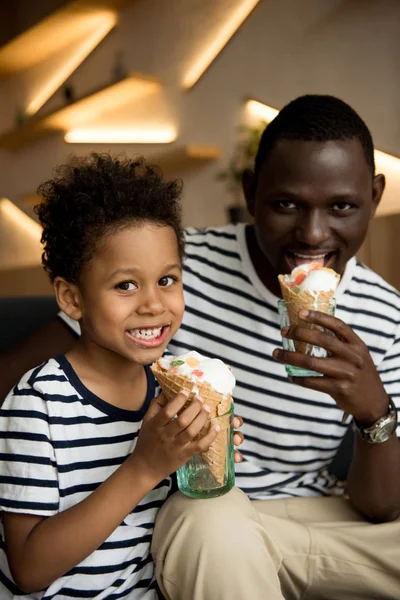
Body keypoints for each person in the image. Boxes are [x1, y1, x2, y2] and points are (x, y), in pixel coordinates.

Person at [1, 94, 400, 598]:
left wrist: (372, 411)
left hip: (315, 520)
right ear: (251, 193)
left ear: (375, 196)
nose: (313, 233)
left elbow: (381, 507)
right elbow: (49, 371)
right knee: (214, 523)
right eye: (286, 204)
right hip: (212, 521)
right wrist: (174, 460)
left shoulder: (388, 314)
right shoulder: (161, 266)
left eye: (342, 206)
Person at [0, 154, 223, 599]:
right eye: (125, 285)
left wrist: (206, 453)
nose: (154, 305)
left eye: (167, 279)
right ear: (72, 298)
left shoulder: (170, 387)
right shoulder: (37, 403)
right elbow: (28, 569)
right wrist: (144, 467)